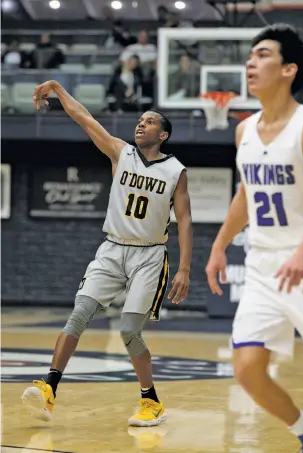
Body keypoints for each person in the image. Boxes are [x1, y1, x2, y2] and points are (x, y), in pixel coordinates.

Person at [22, 80, 193, 427]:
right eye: (140, 120)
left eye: (150, 121)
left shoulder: (176, 172)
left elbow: (186, 219)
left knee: (130, 330)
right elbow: (85, 118)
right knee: (78, 314)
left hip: (149, 255)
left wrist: (185, 269)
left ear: (163, 135)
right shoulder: (121, 152)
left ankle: (151, 402)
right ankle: (49, 388)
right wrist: (57, 88)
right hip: (112, 248)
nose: (141, 123)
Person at [206, 23, 303, 453]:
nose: (251, 62)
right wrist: (220, 244)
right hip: (263, 264)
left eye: (262, 54)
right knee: (247, 367)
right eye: (251, 55)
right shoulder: (244, 130)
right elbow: (247, 194)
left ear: (288, 70)